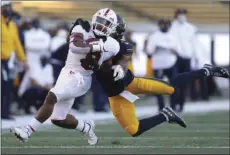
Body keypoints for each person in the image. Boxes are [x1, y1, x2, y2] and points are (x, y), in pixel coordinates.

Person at [80, 15, 229, 137]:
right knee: (133, 130)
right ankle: (165, 115)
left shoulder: (119, 44)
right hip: (117, 95)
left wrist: (120, 66)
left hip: (132, 83)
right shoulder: (90, 46)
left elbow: (126, 55)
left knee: (171, 88)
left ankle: (206, 71)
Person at [10, 8, 122, 146]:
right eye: (100, 21)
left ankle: (27, 131)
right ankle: (86, 127)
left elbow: (106, 66)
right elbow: (75, 46)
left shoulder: (113, 45)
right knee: (58, 119)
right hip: (67, 71)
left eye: (106, 23)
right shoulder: (81, 27)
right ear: (94, 19)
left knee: (51, 96)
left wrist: (107, 66)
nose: (102, 25)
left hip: (82, 77)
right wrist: (94, 46)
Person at [1, 1, 27, 119]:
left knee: (7, 85)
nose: (8, 9)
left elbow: (16, 43)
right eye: (5, 7)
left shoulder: (12, 25)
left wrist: (23, 59)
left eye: (9, 7)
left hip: (7, 61)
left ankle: (5, 112)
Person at [146, 19, 180, 111]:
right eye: (162, 24)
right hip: (158, 65)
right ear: (159, 25)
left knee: (173, 86)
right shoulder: (154, 36)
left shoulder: (173, 36)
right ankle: (161, 107)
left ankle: (173, 106)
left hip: (171, 63)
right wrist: (156, 49)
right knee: (158, 87)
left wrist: (172, 50)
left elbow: (178, 51)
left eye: (166, 25)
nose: (164, 26)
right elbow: (149, 51)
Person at [170, 8, 198, 111]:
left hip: (187, 58)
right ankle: (173, 104)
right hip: (175, 57)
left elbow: (194, 44)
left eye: (183, 14)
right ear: (176, 15)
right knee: (174, 81)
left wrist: (194, 58)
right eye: (180, 14)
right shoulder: (172, 27)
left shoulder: (191, 28)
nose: (181, 16)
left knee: (183, 82)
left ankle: (181, 104)